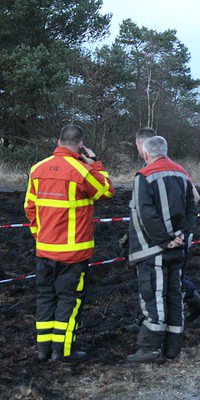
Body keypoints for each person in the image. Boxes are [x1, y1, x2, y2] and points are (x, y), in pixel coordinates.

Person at [24, 124, 114, 362]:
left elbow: (29, 208)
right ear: (81, 145)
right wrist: (96, 164)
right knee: (69, 301)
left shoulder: (37, 169)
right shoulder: (81, 170)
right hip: (74, 254)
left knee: (45, 298)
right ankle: (63, 352)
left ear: (58, 141)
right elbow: (106, 191)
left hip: (45, 250)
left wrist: (39, 235)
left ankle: (43, 350)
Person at [122, 128, 200, 333]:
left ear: (144, 147)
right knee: (160, 281)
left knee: (161, 282)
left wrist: (171, 227)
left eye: (138, 146)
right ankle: (154, 320)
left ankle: (159, 325)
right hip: (165, 238)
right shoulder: (155, 168)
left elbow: (194, 197)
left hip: (166, 238)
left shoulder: (164, 170)